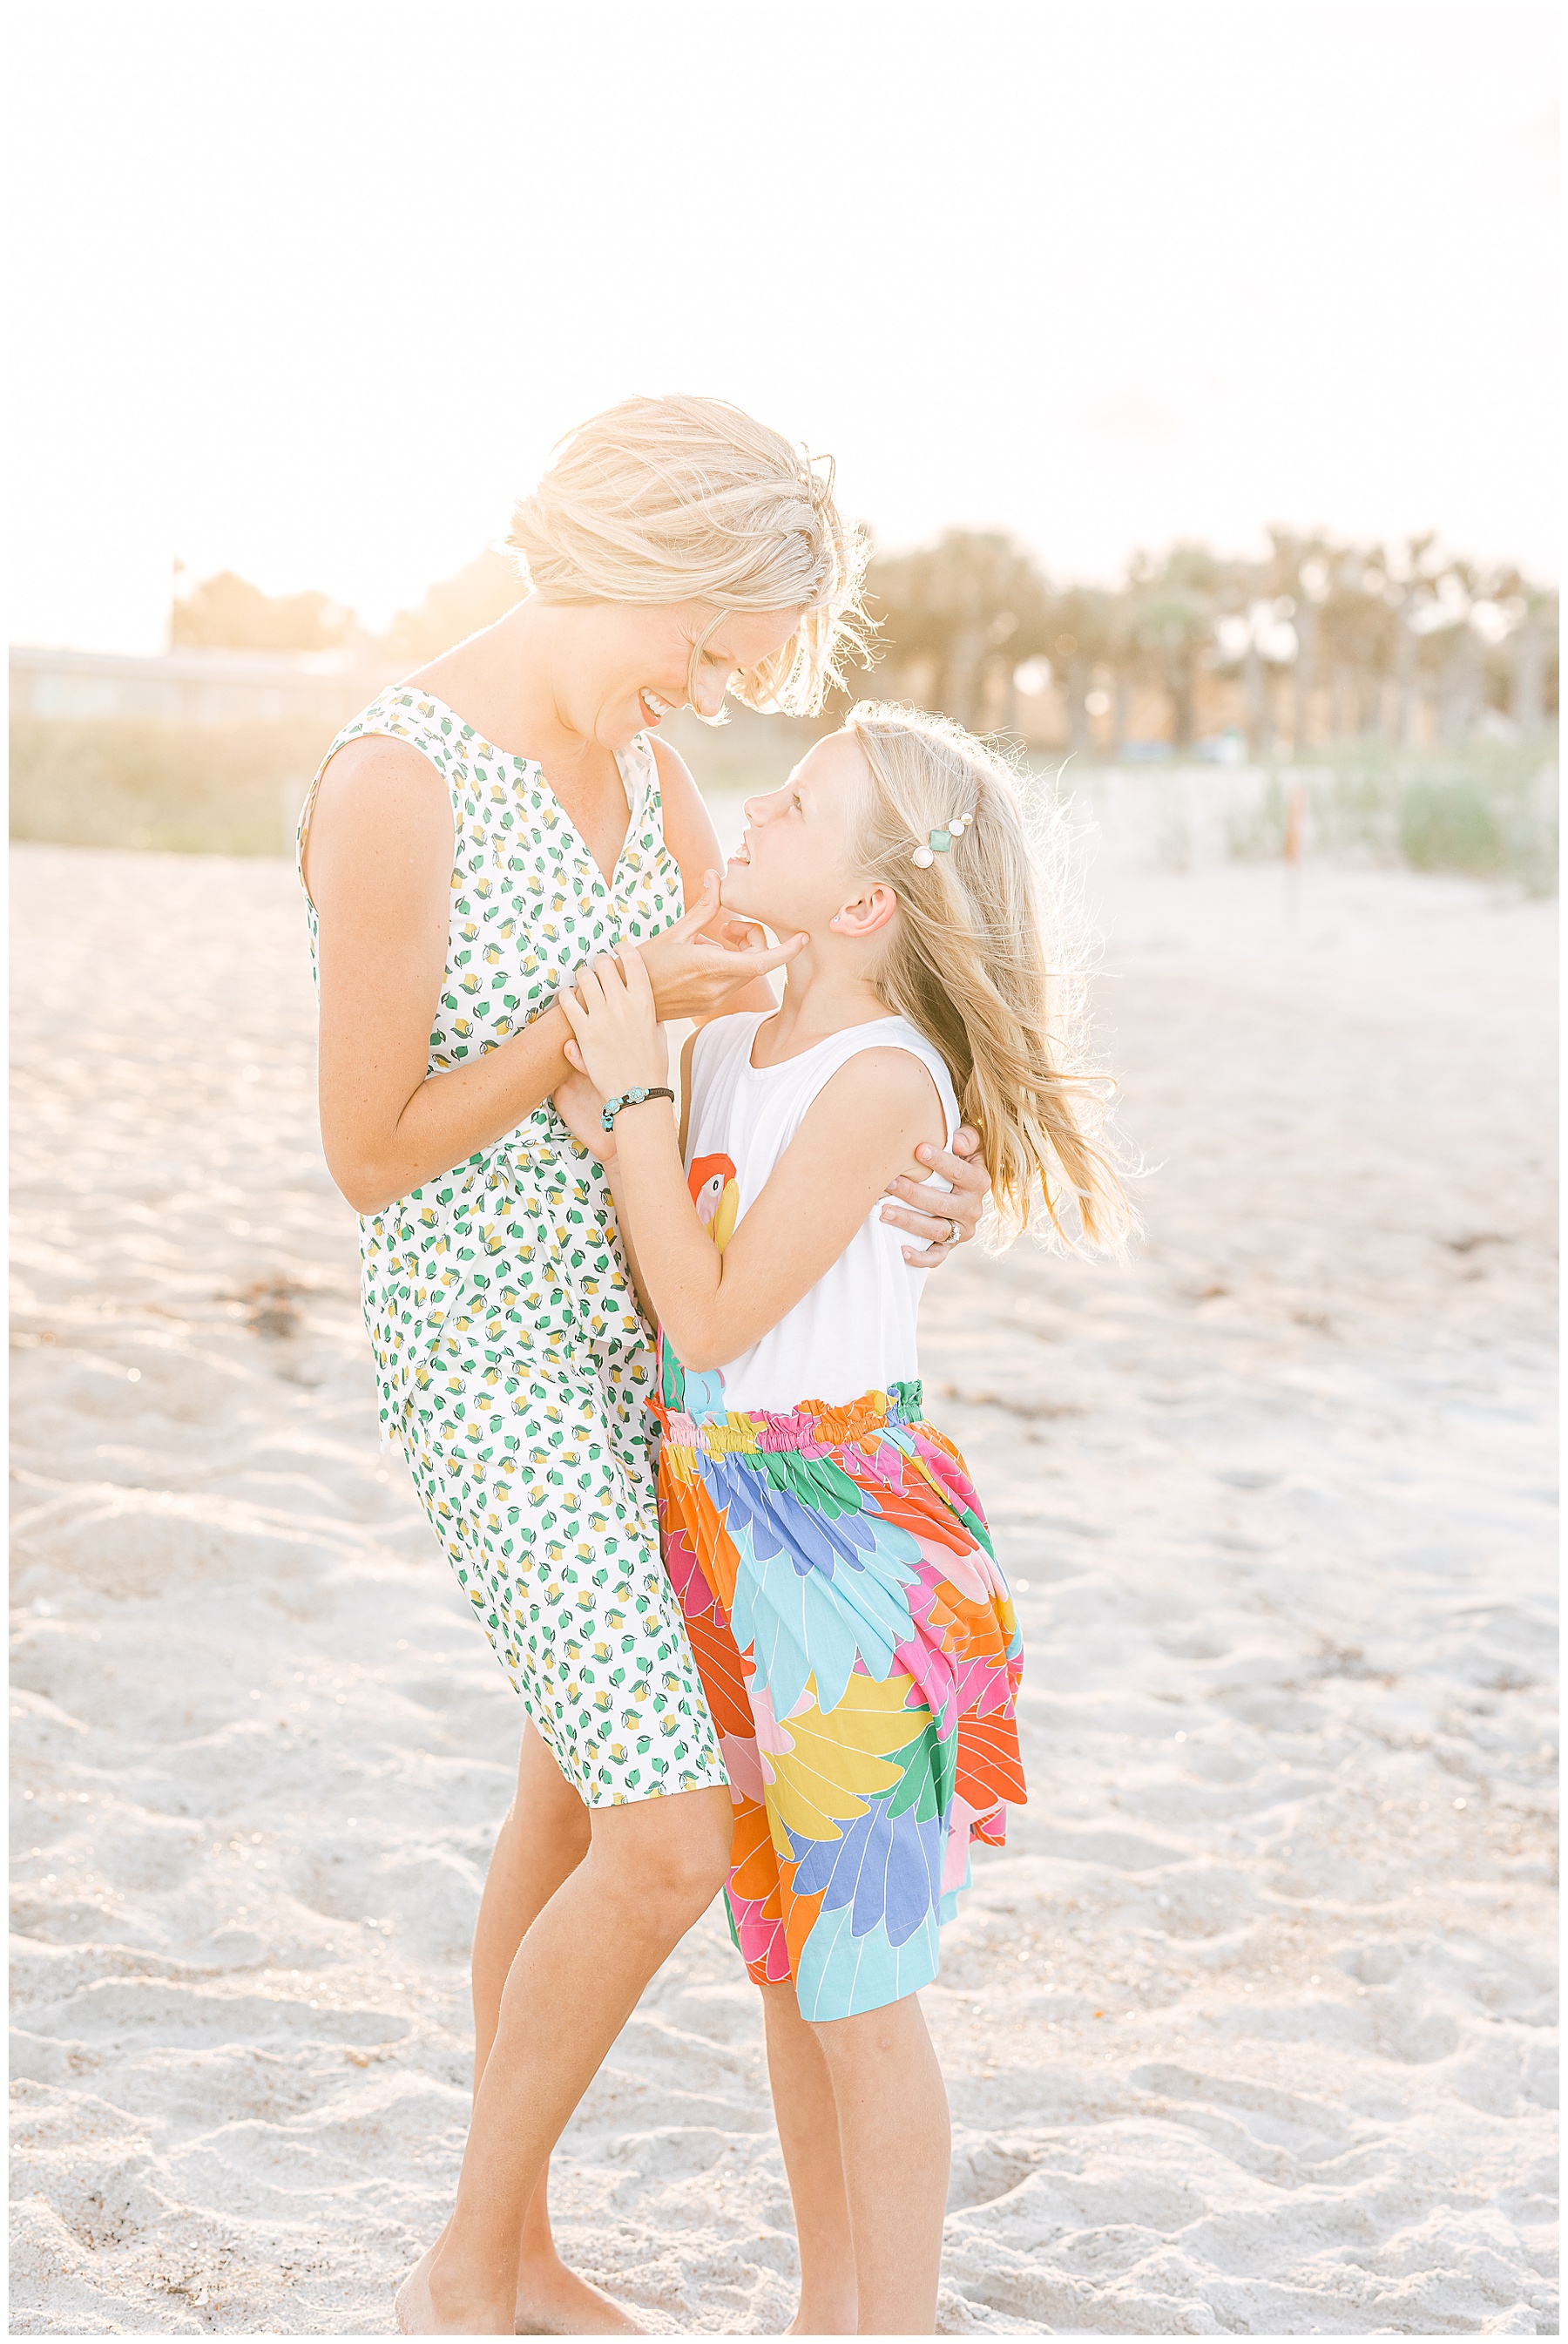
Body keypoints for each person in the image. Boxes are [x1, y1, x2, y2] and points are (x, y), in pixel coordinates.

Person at [295, 397, 990, 2335]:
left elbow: (785, 1018)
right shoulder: (395, 782)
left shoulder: (658, 775)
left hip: (662, 1364)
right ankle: (468, 2266)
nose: (701, 692)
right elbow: (371, 1150)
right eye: (699, 644)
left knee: (561, 1817)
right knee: (668, 1837)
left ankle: (511, 2250)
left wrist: (929, 1160)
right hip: (499, 1363)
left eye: (731, 671)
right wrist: (588, 1044)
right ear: (628, 564)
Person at [552, 700, 1131, 2334]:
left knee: (864, 1991)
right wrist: (659, 1069)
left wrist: (626, 1101)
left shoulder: (882, 1078)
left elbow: (717, 1320)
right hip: (721, 1537)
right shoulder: (738, 1033)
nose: (761, 808)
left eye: (799, 808)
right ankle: (827, 2313)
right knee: (791, 1975)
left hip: (842, 1552)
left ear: (869, 906)